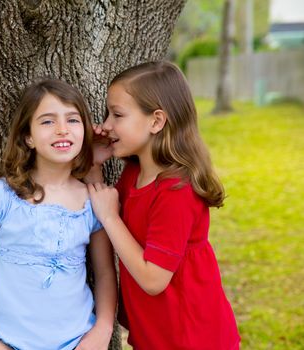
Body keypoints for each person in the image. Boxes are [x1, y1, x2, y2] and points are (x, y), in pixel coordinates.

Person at [0, 79, 117, 350]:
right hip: (9, 341)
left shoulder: (91, 201)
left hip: (77, 342)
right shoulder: (3, 196)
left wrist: (103, 329)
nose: (62, 130)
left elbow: (106, 274)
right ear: (28, 136)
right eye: (48, 122)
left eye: (73, 120)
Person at [86, 61, 240, 349]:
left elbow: (153, 279)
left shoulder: (176, 191)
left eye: (117, 115)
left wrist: (110, 217)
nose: (106, 125)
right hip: (155, 332)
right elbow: (104, 209)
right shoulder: (134, 173)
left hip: (191, 337)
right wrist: (94, 166)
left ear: (156, 121)